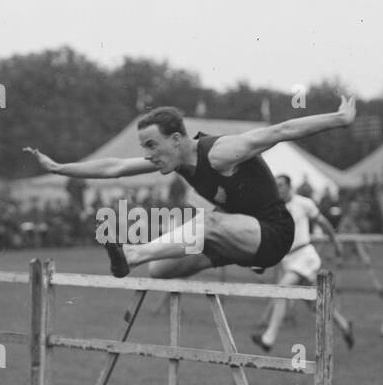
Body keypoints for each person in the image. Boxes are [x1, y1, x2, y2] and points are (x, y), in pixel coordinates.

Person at [24, 94, 357, 280]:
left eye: (152, 146)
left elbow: (280, 130)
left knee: (208, 221)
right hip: (233, 238)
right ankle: (142, 258)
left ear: (177, 138)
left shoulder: (221, 152)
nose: (148, 155)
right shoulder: (176, 160)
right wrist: (60, 167)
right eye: (145, 148)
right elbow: (116, 166)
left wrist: (339, 119)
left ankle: (131, 252)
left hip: (273, 234)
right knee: (160, 269)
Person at [253, 175, 354, 352]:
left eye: (281, 185)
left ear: (289, 186)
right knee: (316, 305)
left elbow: (324, 223)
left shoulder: (304, 203)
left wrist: (336, 242)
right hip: (289, 260)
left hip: (306, 256)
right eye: (276, 186)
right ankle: (345, 326)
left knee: (282, 289)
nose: (278, 189)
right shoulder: (276, 208)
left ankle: (268, 339)